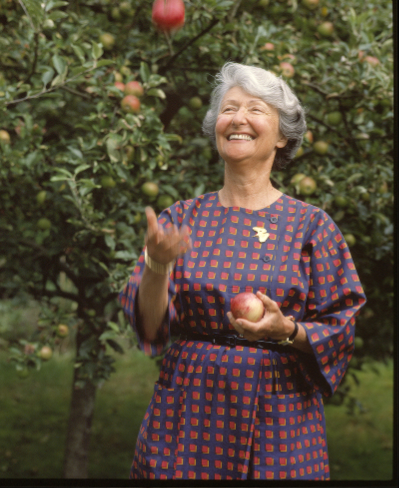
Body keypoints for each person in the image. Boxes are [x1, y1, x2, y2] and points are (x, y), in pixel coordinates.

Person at [118, 62, 366, 481]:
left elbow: (341, 326)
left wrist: (286, 330)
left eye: (256, 109)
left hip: (280, 417)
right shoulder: (182, 217)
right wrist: (158, 266)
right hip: (188, 411)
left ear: (282, 135)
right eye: (229, 109)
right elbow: (149, 327)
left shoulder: (311, 225)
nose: (238, 119)